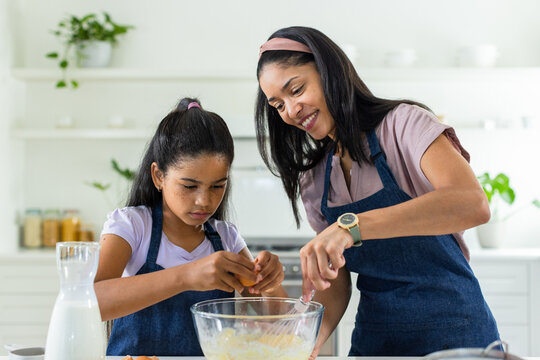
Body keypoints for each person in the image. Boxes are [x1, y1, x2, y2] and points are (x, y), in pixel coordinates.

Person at [254, 27, 500, 357]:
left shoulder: (403, 126)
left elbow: (471, 203)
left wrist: (350, 227)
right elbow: (336, 279)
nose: (291, 110)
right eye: (278, 105)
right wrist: (308, 340)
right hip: (376, 341)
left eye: (296, 89)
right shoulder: (315, 179)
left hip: (456, 333)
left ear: (329, 71)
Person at [94, 97, 287, 357]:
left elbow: (277, 322)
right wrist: (187, 276)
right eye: (189, 186)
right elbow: (93, 302)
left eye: (217, 186)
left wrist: (270, 284)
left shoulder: (226, 237)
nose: (204, 201)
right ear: (158, 176)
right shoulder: (133, 225)